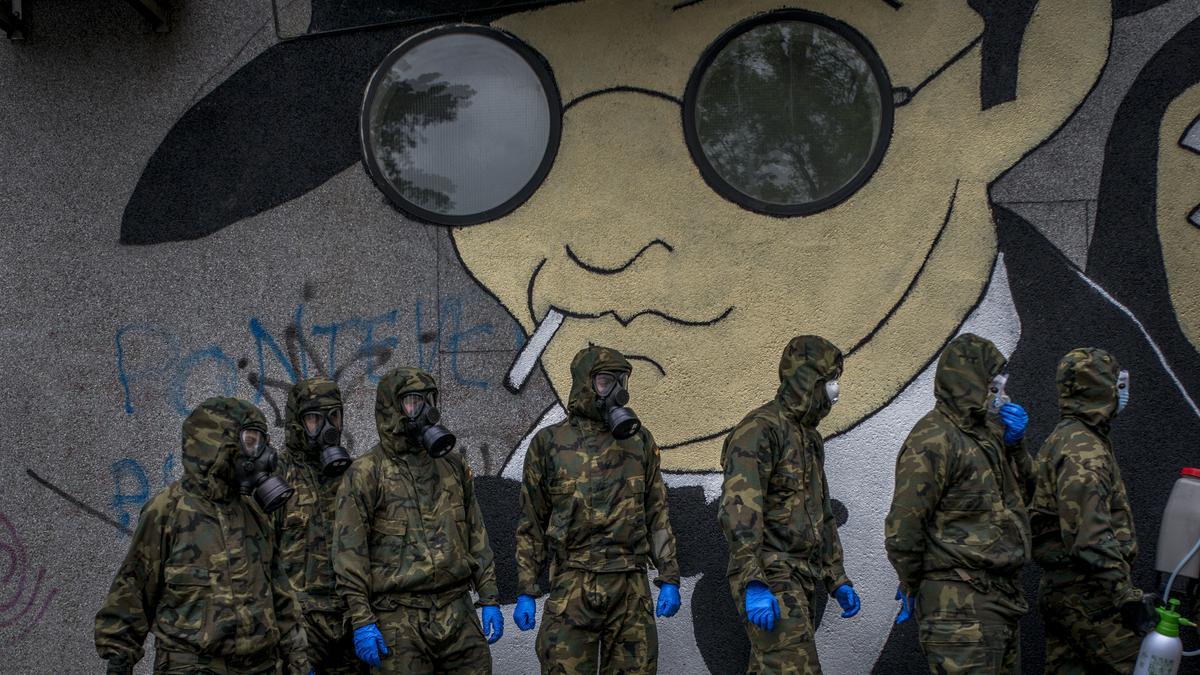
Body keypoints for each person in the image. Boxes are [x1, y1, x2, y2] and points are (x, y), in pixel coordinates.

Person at [94, 396, 309, 674]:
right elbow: (132, 588)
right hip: (194, 666)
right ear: (218, 442)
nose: (261, 453)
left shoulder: (254, 513)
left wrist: (299, 660)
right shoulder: (168, 511)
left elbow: (279, 594)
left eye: (261, 441)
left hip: (260, 666)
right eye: (251, 441)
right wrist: (119, 661)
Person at [512, 345, 681, 674]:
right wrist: (526, 589)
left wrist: (669, 575)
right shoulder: (549, 444)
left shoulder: (639, 442)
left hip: (630, 585)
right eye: (606, 382)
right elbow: (531, 521)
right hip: (573, 583)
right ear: (584, 384)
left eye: (622, 382)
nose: (617, 392)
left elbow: (656, 512)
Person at [333, 367, 502, 674]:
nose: (425, 410)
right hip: (399, 618)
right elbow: (349, 556)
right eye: (413, 401)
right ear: (392, 409)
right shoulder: (366, 473)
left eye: (429, 400)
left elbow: (476, 532)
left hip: (456, 610)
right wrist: (361, 620)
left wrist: (489, 595)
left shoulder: (451, 463)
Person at [884, 333, 1033, 674]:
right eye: (992, 385)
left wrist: (1016, 446)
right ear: (970, 382)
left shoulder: (990, 437)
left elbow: (1029, 499)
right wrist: (912, 582)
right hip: (961, 608)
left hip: (1001, 602)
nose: (1000, 393)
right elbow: (903, 529)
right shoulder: (933, 439)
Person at [718, 335, 861, 674]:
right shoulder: (759, 431)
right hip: (770, 573)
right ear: (809, 380)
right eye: (830, 380)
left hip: (803, 575)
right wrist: (753, 580)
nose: (835, 390)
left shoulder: (808, 438)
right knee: (795, 668)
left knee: (775, 667)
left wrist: (836, 577)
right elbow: (740, 508)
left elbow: (821, 513)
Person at [1031, 348, 1157, 673]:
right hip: (1089, 595)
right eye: (1117, 383)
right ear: (1101, 387)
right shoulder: (1083, 450)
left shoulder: (1065, 439)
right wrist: (1125, 595)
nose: (1122, 391)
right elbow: (1088, 537)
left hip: (1070, 592)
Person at [274, 377, 361, 673]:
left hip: (351, 618)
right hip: (301, 624)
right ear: (298, 423)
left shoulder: (354, 476)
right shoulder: (276, 477)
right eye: (314, 419)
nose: (327, 428)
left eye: (333, 417)